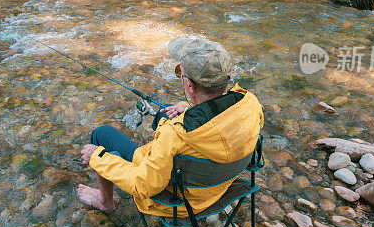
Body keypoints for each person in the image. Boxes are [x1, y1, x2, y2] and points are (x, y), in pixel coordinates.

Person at [77, 36, 264, 216]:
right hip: (221, 187)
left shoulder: (174, 135)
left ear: (190, 85)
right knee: (165, 112)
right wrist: (188, 109)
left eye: (179, 74)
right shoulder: (250, 104)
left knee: (101, 134)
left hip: (182, 204)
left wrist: (98, 157)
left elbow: (145, 185)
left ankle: (105, 201)